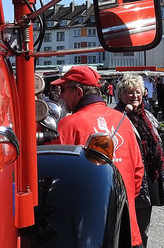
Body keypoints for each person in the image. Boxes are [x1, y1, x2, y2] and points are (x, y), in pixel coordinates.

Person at [55, 66, 145, 247]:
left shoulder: (68, 125)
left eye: (63, 90)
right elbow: (138, 173)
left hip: (88, 233)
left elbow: (57, 182)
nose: (61, 96)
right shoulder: (123, 121)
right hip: (126, 228)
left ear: (78, 91)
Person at [114, 74, 164, 247]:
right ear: (120, 95)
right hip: (128, 180)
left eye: (137, 92)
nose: (135, 96)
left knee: (143, 230)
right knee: (125, 229)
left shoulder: (149, 117)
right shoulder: (116, 117)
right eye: (129, 92)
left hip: (148, 180)